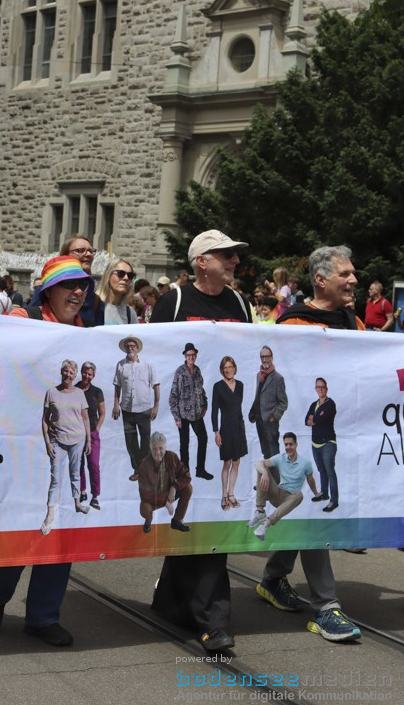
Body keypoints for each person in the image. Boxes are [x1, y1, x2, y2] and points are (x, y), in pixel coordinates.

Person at [0, 255, 94, 647]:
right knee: (19, 528)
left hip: (66, 443)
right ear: (49, 290)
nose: (78, 292)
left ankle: (43, 616)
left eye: (83, 286)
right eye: (69, 285)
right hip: (20, 446)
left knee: (61, 531)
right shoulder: (22, 321)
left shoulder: (87, 335)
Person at [150, 228, 252, 654]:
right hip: (182, 426)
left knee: (208, 517)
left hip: (223, 423)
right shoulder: (172, 302)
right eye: (225, 255)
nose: (233, 262)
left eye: (235, 256)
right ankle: (213, 620)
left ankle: (174, 604)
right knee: (197, 513)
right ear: (201, 262)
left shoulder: (240, 303)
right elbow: (155, 360)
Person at [257, 245, 363, 642]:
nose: (353, 280)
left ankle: (272, 578)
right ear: (320, 280)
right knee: (313, 512)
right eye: (345, 274)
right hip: (298, 438)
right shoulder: (292, 322)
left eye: (353, 273)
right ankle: (326, 606)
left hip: (339, 433)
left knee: (304, 513)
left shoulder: (355, 322)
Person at [40, 359, 92, 532]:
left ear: (75, 375)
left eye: (71, 373)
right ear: (61, 372)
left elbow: (85, 418)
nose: (68, 375)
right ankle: (50, 513)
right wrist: (47, 442)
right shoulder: (51, 393)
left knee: (75, 473)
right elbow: (45, 420)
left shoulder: (79, 393)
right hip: (57, 441)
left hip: (78, 440)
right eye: (66, 371)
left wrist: (89, 440)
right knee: (55, 477)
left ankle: (77, 503)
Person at [248, 432, 318, 542]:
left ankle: (265, 526)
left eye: (291, 444)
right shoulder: (281, 458)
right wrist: (265, 473)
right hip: (277, 493)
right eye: (286, 445)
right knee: (262, 469)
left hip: (291, 497)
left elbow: (310, 479)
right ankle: (260, 511)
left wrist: (316, 493)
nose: (288, 447)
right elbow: (258, 463)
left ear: (296, 444)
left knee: (299, 494)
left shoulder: (305, 463)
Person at [113, 335, 159, 481]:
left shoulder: (147, 364)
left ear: (137, 348)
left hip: (144, 409)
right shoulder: (120, 365)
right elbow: (117, 386)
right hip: (127, 410)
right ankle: (137, 469)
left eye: (133, 346)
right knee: (131, 441)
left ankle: (144, 469)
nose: (130, 348)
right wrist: (116, 404)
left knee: (145, 441)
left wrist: (156, 406)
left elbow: (156, 385)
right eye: (128, 346)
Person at [29, 235, 101, 325]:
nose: (88, 254)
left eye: (84, 285)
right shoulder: (25, 315)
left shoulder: (95, 300)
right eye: (80, 250)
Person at [170, 342, 211, 481]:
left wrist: (204, 404)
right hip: (183, 414)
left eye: (193, 355)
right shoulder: (180, 372)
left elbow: (201, 389)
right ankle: (185, 473)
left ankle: (200, 469)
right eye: (188, 355)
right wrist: (176, 417)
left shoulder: (198, 370)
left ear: (196, 356)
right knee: (184, 443)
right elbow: (173, 395)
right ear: (185, 356)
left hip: (197, 413)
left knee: (203, 438)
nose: (191, 357)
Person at [137, 432, 192, 533]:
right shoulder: (144, 465)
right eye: (154, 448)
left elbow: (186, 476)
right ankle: (148, 522)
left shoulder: (172, 457)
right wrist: (165, 502)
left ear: (165, 448)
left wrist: (174, 487)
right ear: (150, 449)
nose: (158, 451)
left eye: (160, 448)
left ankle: (177, 521)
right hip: (152, 499)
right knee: (145, 509)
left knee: (188, 488)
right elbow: (145, 494)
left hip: (169, 494)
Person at [212, 355, 246, 510]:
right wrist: (216, 432)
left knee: (236, 462)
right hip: (225, 428)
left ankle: (232, 494)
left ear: (234, 368)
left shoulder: (240, 385)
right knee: (227, 462)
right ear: (222, 370)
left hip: (239, 427)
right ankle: (224, 496)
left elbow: (238, 408)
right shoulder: (218, 386)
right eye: (225, 367)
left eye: (230, 367)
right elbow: (214, 412)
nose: (227, 370)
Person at [248, 346, 288, 462]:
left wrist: (274, 417)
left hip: (270, 422)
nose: (264, 359)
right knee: (265, 452)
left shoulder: (278, 378)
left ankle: (277, 479)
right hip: (259, 420)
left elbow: (283, 402)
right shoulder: (258, 375)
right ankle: (269, 479)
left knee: (274, 452)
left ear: (272, 357)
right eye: (262, 357)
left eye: (267, 356)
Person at [306, 378, 340, 512]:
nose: (320, 389)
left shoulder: (330, 404)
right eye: (318, 387)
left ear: (327, 389)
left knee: (330, 471)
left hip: (328, 443)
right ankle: (324, 494)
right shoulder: (314, 404)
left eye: (323, 387)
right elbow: (306, 420)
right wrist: (315, 419)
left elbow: (320, 420)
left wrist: (314, 419)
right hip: (315, 443)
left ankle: (334, 501)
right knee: (321, 470)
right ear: (315, 389)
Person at [76, 361, 106, 509]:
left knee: (93, 465)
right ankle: (82, 491)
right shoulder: (74, 390)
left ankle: (95, 496)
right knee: (78, 464)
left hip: (92, 433)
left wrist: (97, 429)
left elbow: (102, 413)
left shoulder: (97, 392)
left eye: (90, 374)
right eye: (85, 372)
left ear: (93, 376)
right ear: (81, 372)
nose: (87, 376)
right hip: (76, 433)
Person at [100, 259, 139, 325]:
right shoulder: (94, 306)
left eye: (130, 275)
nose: (126, 278)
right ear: (108, 276)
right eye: (120, 273)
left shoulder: (129, 313)